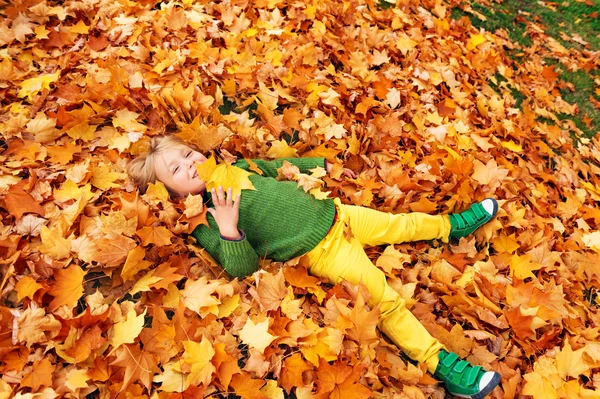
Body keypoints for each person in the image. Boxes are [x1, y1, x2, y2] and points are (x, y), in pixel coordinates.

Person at [127, 135, 502, 399]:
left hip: (336, 214)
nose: (191, 165)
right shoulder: (205, 222)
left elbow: (273, 168)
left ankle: (451, 227)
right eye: (177, 170)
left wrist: (316, 165)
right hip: (324, 251)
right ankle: (442, 365)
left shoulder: (233, 169)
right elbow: (241, 269)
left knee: (400, 223)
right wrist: (229, 227)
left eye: (189, 155)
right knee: (384, 299)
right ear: (173, 194)